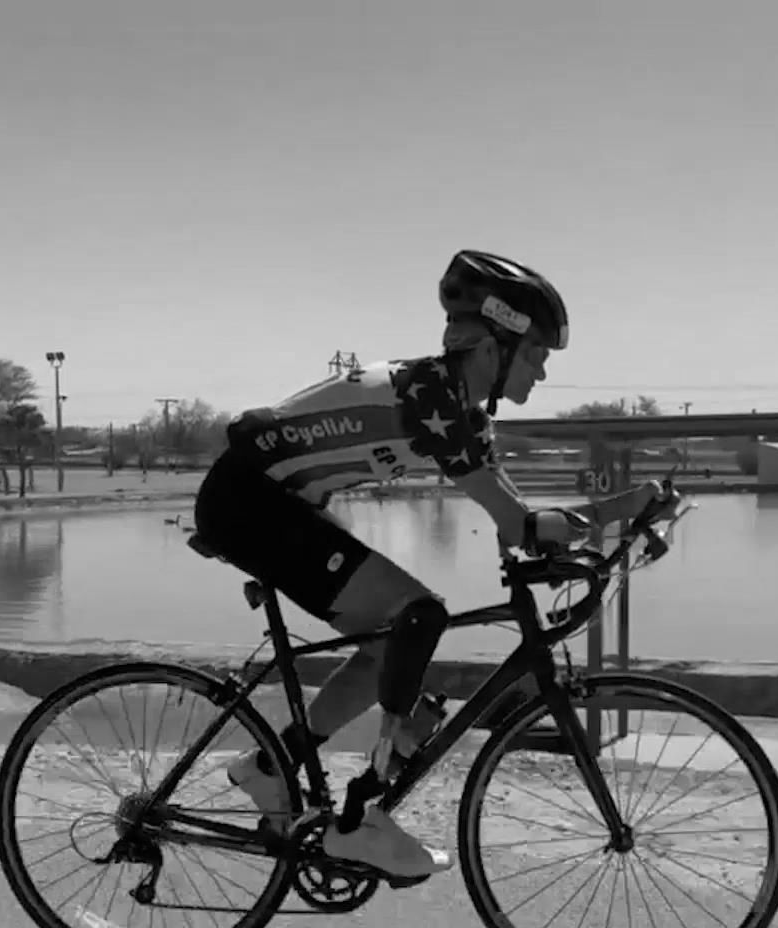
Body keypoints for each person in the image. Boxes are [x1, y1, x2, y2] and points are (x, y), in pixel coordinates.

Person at [191, 249, 663, 880]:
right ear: (495, 347)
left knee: (396, 641)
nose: (542, 375)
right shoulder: (430, 397)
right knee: (415, 616)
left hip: (277, 502)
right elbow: (519, 524)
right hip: (249, 503)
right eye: (537, 356)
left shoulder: (458, 411)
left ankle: (272, 766)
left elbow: (517, 521)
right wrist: (610, 514)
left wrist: (618, 513)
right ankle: (361, 817)